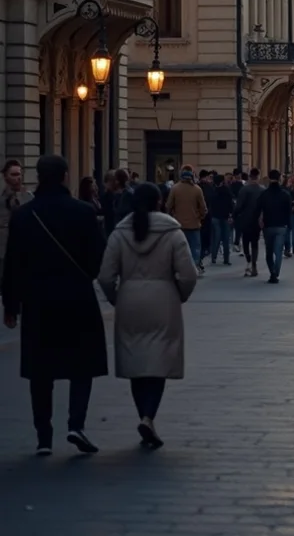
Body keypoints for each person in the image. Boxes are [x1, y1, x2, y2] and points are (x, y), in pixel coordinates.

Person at [1, 154, 107, 455]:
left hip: (38, 300)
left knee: (40, 369)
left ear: (39, 177)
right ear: (64, 176)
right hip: (77, 297)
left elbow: (13, 265)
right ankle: (76, 424)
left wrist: (11, 304)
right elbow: (97, 258)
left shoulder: (24, 216)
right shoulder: (83, 213)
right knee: (82, 364)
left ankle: (43, 437)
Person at [97, 181, 197, 450]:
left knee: (136, 361)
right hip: (163, 301)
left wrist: (117, 297)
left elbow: (106, 275)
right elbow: (188, 274)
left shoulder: (120, 233)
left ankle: (142, 413)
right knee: (159, 361)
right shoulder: (172, 232)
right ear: (159, 202)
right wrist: (180, 294)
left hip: (129, 300)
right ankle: (148, 416)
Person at [166, 166, 208, 271]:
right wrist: (200, 217)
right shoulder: (197, 189)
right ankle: (195, 267)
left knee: (180, 248)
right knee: (195, 248)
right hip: (194, 223)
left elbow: (168, 205)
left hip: (178, 224)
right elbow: (203, 207)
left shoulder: (175, 188)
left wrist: (172, 216)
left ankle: (181, 267)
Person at [258, 170, 292, 283]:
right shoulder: (285, 194)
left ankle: (272, 271)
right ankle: (276, 272)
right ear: (280, 178)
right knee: (278, 251)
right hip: (281, 225)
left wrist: (260, 221)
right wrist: (289, 225)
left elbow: (259, 209)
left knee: (269, 251)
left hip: (268, 225)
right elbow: (289, 211)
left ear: (268, 178)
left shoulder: (264, 194)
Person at [1, 157, 32, 276]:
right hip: (4, 253)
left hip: (25, 252)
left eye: (19, 174)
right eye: (14, 175)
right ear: (5, 176)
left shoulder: (29, 198)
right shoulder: (1, 200)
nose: (18, 178)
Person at [234, 168, 265, 276]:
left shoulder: (244, 189)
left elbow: (238, 206)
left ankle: (248, 260)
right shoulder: (262, 189)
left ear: (249, 176)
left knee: (246, 242)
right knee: (255, 243)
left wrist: (234, 216)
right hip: (257, 220)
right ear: (258, 176)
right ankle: (254, 263)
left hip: (245, 219)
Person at [207, 171, 235, 266]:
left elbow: (210, 203)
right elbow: (231, 204)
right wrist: (231, 215)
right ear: (222, 181)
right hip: (225, 216)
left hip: (215, 216)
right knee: (226, 239)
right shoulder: (227, 191)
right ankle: (226, 259)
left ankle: (214, 257)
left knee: (216, 238)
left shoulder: (212, 190)